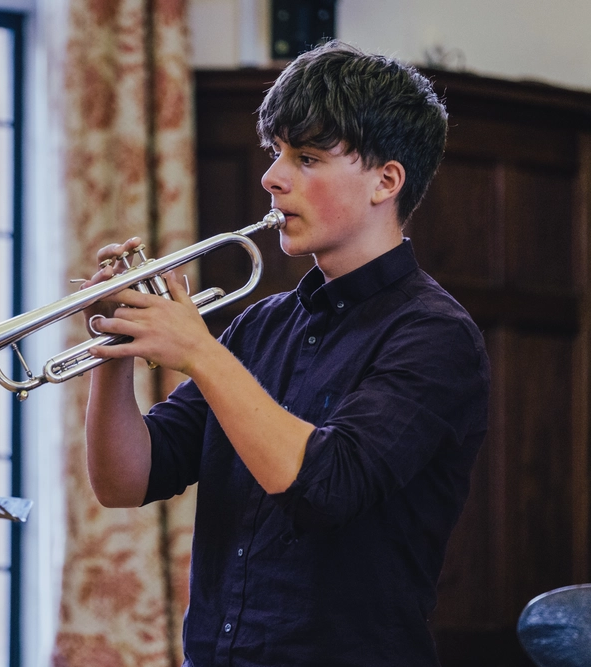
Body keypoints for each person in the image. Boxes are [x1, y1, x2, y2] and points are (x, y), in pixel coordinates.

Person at [80, 41, 490, 666]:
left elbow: (324, 486)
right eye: (277, 154)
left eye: (307, 158)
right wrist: (114, 351)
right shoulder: (261, 325)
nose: (272, 177)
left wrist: (200, 352)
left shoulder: (435, 335)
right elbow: (125, 480)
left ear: (387, 180)